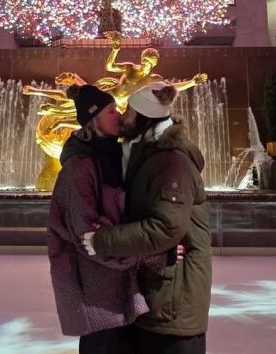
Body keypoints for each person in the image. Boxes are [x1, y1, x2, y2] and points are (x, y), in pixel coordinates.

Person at [81, 82, 212, 354]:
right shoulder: (146, 153)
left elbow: (165, 227)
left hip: (173, 303)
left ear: (143, 118)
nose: (124, 117)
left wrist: (103, 240)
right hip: (155, 294)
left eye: (128, 111)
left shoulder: (171, 162)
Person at [48, 84, 165, 354]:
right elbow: (91, 240)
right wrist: (154, 255)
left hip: (120, 290)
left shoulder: (111, 159)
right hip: (96, 295)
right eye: (111, 111)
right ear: (94, 120)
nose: (120, 115)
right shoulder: (79, 169)